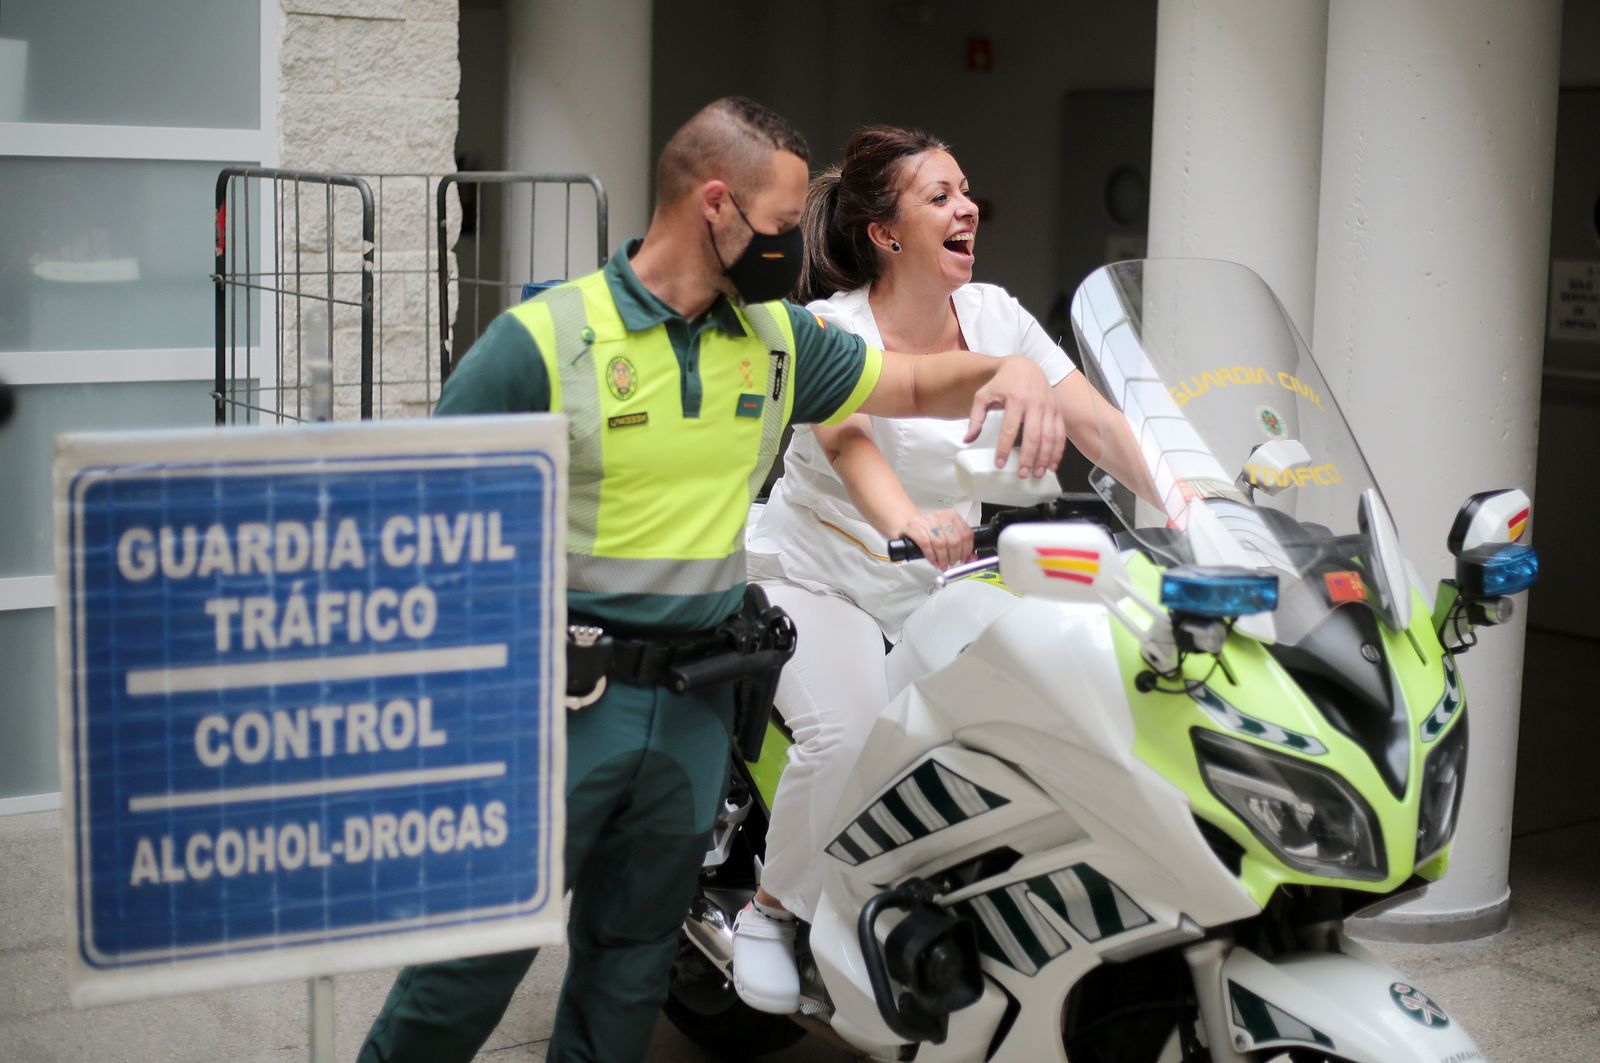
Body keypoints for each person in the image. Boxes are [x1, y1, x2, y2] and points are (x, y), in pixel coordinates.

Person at [355, 99, 1066, 1063]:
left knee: (626, 969)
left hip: (693, 706)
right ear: (717, 207)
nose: (791, 247)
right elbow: (419, 515)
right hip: (560, 703)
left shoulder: (773, 337)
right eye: (778, 227)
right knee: (467, 967)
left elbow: (901, 383)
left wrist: (1013, 373)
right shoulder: (547, 339)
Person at [732, 125, 1156, 1014]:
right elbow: (850, 446)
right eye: (940, 197)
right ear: (886, 235)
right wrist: (913, 522)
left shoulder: (998, 318)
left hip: (942, 581)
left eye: (967, 190)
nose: (968, 207)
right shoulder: (828, 328)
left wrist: (1197, 502)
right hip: (823, 571)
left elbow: (1104, 427)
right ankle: (773, 910)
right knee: (847, 735)